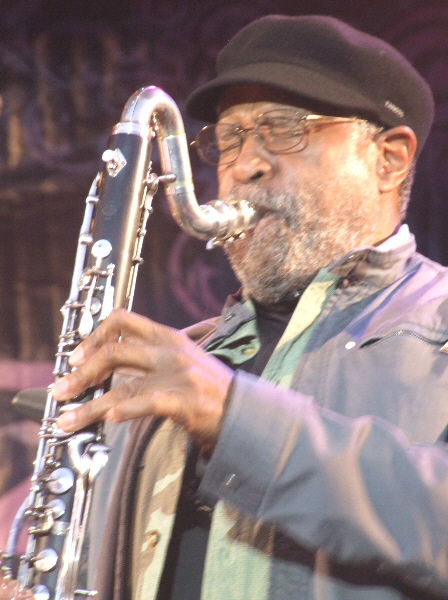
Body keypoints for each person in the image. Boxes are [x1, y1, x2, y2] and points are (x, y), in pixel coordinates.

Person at [50, 14, 448, 600]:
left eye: (283, 129)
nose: (242, 166)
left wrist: (234, 417)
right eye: (228, 138)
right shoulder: (176, 365)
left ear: (388, 158)